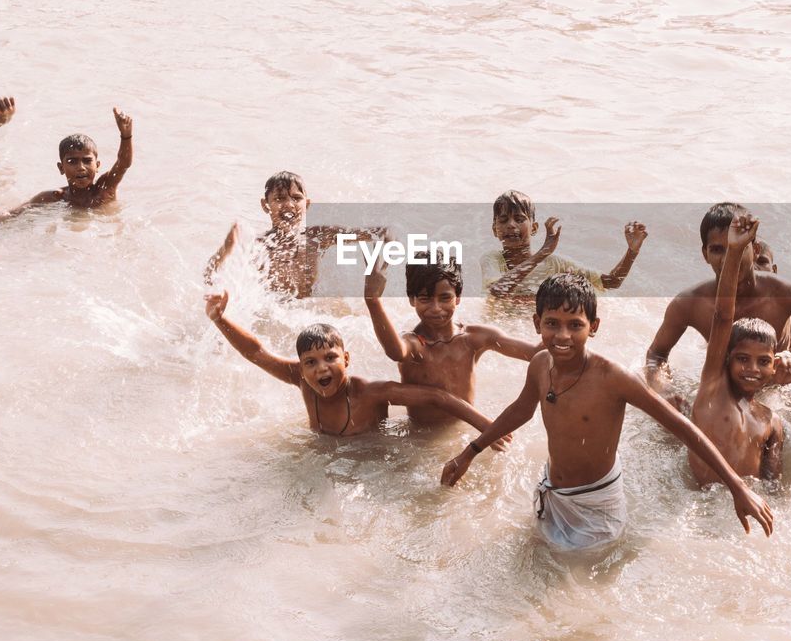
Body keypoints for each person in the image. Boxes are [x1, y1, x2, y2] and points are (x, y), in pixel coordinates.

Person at [440, 273, 774, 550]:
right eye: (552, 323)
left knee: (581, 597)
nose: (562, 335)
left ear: (594, 326)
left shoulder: (613, 378)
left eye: (575, 325)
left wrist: (737, 487)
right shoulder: (541, 364)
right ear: (536, 323)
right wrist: (470, 452)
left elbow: (683, 428)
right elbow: (521, 410)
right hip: (552, 491)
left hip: (597, 506)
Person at [204, 291, 507, 441]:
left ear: (346, 360)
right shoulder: (298, 378)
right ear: (300, 366)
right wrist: (220, 319)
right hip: (324, 449)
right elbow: (256, 352)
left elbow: (437, 397)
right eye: (311, 363)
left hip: (373, 453)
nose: (321, 369)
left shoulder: (369, 393)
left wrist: (487, 427)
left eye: (330, 358)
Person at [644, 202, 791, 394]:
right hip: (727, 381)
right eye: (717, 250)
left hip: (776, 388)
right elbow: (656, 354)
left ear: (754, 251)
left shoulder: (783, 294)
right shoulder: (690, 303)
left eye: (736, 248)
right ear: (705, 254)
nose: (728, 259)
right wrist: (666, 393)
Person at [363, 257, 542, 424]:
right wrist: (373, 301)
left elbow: (535, 353)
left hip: (463, 428)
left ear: (458, 298)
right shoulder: (414, 344)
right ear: (412, 300)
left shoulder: (474, 338)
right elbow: (395, 352)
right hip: (420, 436)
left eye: (445, 298)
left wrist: (556, 326)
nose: (436, 308)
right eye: (425, 299)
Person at [0, 108, 132, 244]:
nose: (81, 167)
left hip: (103, 237)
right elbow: (8, 214)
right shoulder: (55, 197)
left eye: (87, 161)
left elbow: (123, 164)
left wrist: (126, 136)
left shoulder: (105, 188)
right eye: (72, 161)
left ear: (97, 166)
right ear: (61, 168)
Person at [689, 214, 786, 484]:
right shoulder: (713, 391)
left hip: (747, 508)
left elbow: (773, 484)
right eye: (742, 359)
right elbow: (722, 317)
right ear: (725, 359)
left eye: (763, 362)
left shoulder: (771, 420)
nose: (753, 369)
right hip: (702, 511)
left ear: (774, 366)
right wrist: (734, 252)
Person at [205, 170, 386, 297]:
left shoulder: (318, 237)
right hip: (275, 315)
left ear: (306, 204)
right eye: (279, 198)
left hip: (308, 313)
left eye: (297, 198)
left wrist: (376, 272)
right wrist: (226, 249)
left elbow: (382, 232)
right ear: (265, 205)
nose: (290, 205)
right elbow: (210, 274)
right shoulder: (258, 245)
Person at [480, 190, 646, 298]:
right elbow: (497, 291)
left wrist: (632, 251)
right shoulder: (492, 259)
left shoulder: (554, 264)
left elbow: (611, 282)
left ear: (534, 228)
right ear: (495, 230)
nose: (511, 225)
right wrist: (542, 253)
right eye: (503, 220)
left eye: (519, 219)